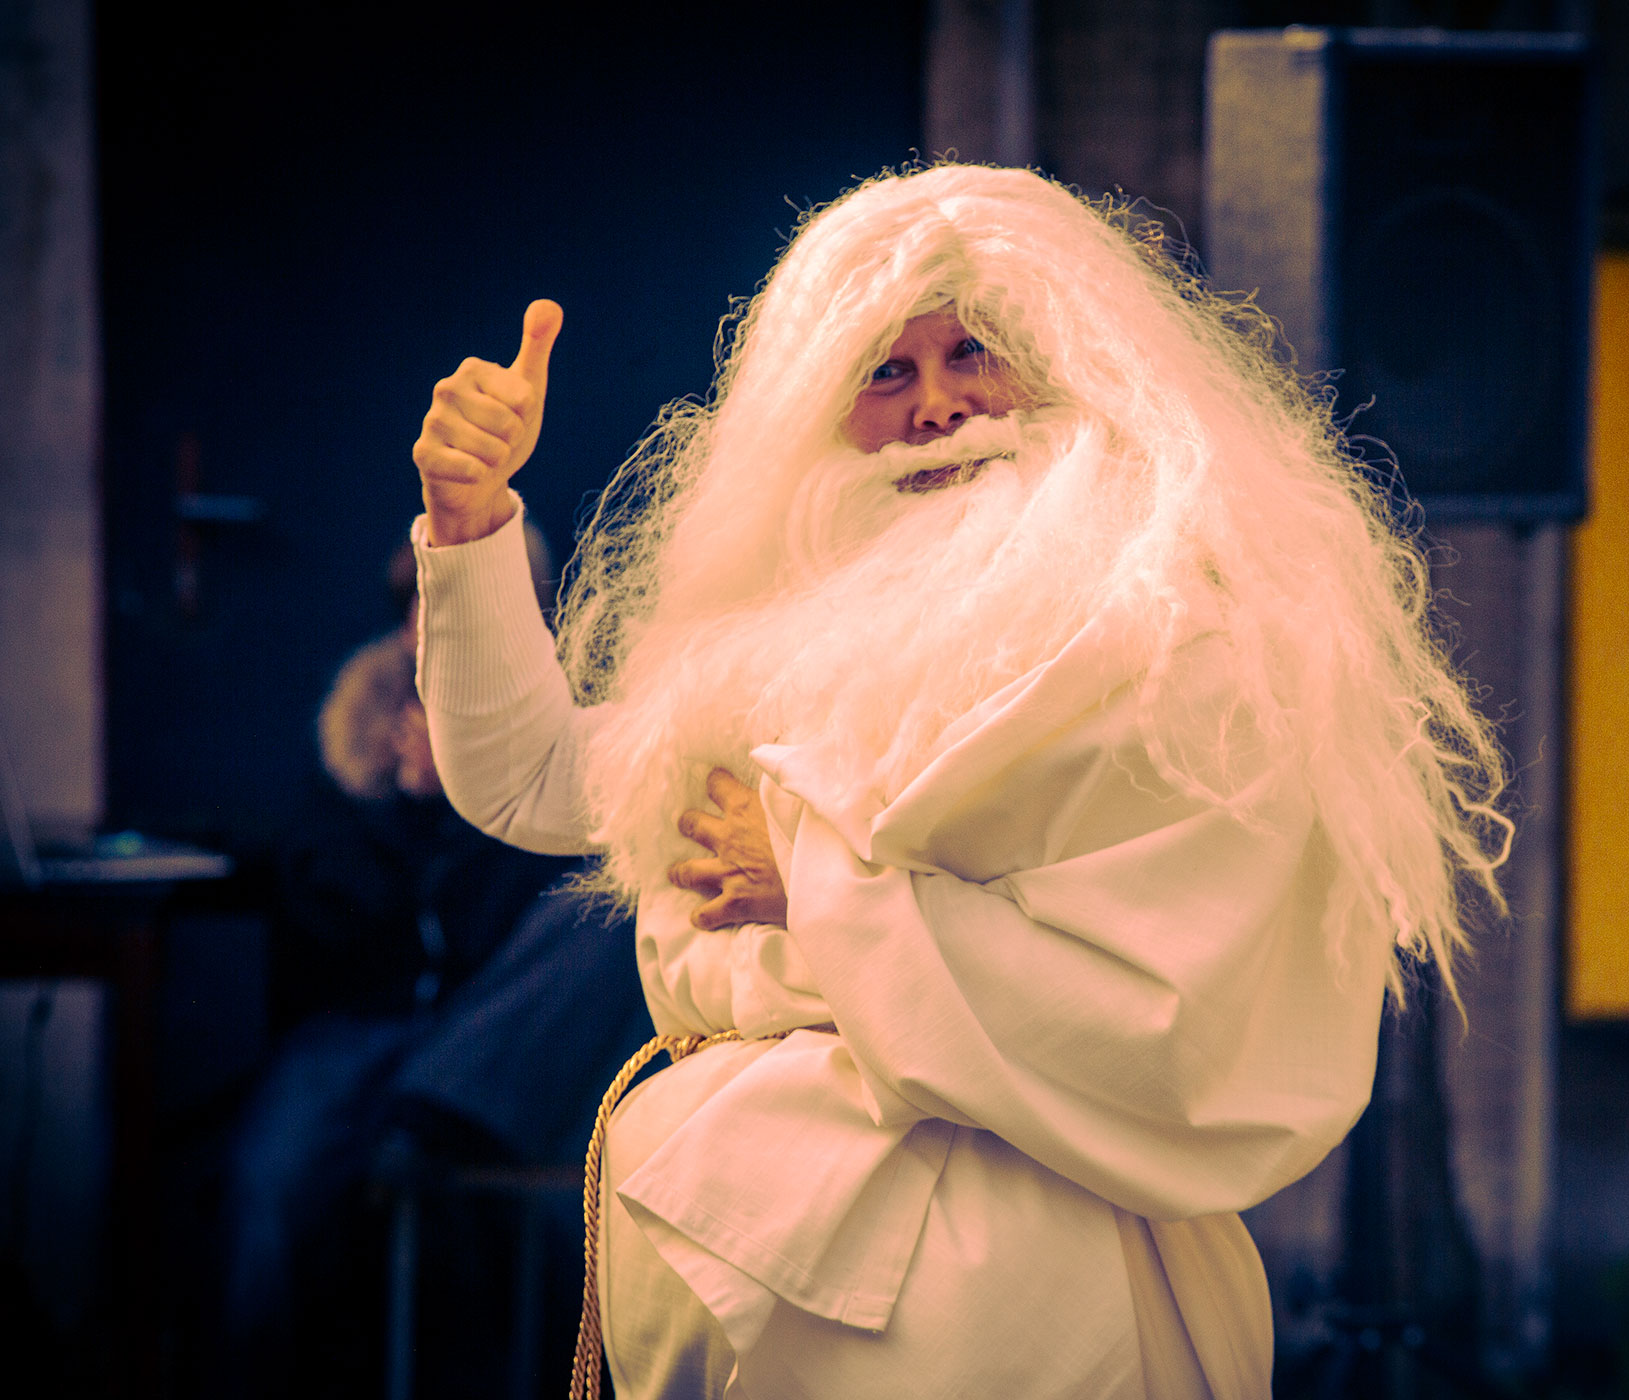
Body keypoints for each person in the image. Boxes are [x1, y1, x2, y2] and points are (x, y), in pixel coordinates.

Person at [409, 164, 1508, 1397]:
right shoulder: (788, 622)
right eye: (886, 371)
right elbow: (540, 783)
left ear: (1077, 362)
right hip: (738, 1256)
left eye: (975, 352)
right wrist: (470, 524)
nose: (937, 407)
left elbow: (1169, 1010)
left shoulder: (1180, 641)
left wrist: (815, 877)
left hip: (997, 1277)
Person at [220, 553, 652, 1398]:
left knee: (540, 1208)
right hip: (358, 1027)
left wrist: (471, 809)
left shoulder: (549, 736)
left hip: (482, 1035)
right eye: (430, 606)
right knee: (270, 1187)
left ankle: (427, 1122)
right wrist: (411, 807)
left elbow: (529, 927)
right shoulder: (358, 726)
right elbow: (326, 909)